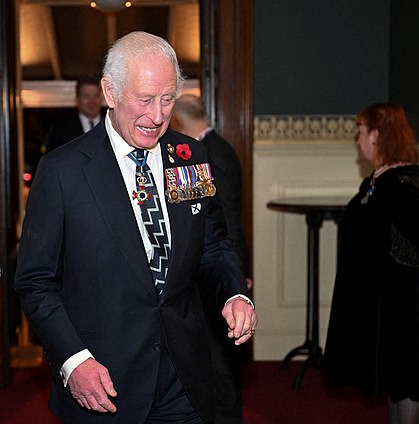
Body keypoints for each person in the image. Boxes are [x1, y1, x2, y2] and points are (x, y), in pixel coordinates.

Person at [14, 31, 257, 423]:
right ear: (110, 93)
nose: (158, 116)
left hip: (185, 380)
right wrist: (74, 361)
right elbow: (35, 281)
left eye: (167, 100)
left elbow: (213, 245)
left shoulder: (190, 156)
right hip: (104, 384)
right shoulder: (63, 171)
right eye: (145, 100)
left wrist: (233, 293)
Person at [322, 103, 419, 424]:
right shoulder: (378, 181)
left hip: (401, 300)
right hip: (384, 300)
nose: (358, 139)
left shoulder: (401, 183)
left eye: (361, 132)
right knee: (396, 380)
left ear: (377, 135)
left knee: (406, 381)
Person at [171, 93, 251, 423]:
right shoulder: (218, 147)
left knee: (219, 366)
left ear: (177, 121)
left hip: (217, 273)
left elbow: (225, 223)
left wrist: (234, 277)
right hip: (219, 269)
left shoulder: (210, 155)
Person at [47, 77, 103, 151]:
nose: (92, 101)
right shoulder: (61, 130)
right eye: (86, 96)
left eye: (96, 96)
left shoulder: (113, 126)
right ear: (77, 100)